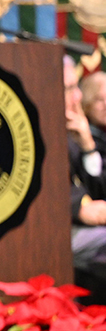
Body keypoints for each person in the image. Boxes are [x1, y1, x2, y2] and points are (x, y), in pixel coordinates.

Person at [67, 60, 106, 289]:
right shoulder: (72, 131)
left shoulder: (82, 134)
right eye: (100, 99)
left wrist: (88, 146)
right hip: (65, 228)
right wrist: (80, 205)